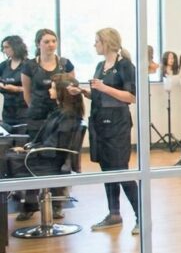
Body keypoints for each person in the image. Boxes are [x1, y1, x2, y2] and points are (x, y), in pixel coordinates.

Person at [72, 28, 140, 235]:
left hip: (118, 124)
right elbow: (100, 95)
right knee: (107, 169)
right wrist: (84, 92)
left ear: (106, 42)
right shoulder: (100, 66)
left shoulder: (125, 66)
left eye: (97, 41)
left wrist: (104, 88)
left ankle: (141, 216)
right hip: (100, 122)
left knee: (120, 169)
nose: (94, 45)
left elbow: (131, 97)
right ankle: (114, 213)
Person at [4, 73, 83, 221]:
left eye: (52, 88)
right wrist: (28, 148)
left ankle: (27, 206)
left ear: (62, 92)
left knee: (5, 160)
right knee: (8, 155)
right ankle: (29, 205)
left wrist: (31, 150)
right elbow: (49, 140)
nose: (49, 91)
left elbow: (54, 146)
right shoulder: (59, 112)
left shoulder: (68, 116)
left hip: (50, 162)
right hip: (46, 157)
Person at [21, 29, 75, 138]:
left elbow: (72, 90)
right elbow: (26, 93)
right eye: (46, 42)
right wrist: (34, 108)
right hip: (37, 115)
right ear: (38, 44)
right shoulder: (29, 66)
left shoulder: (65, 64)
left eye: (54, 41)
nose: (51, 45)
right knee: (37, 148)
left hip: (60, 113)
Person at [1, 35, 29, 129]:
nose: (4, 51)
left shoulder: (29, 65)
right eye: (3, 48)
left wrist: (17, 89)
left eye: (7, 47)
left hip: (24, 110)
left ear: (16, 47)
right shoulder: (3, 66)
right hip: (8, 111)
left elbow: (35, 88)